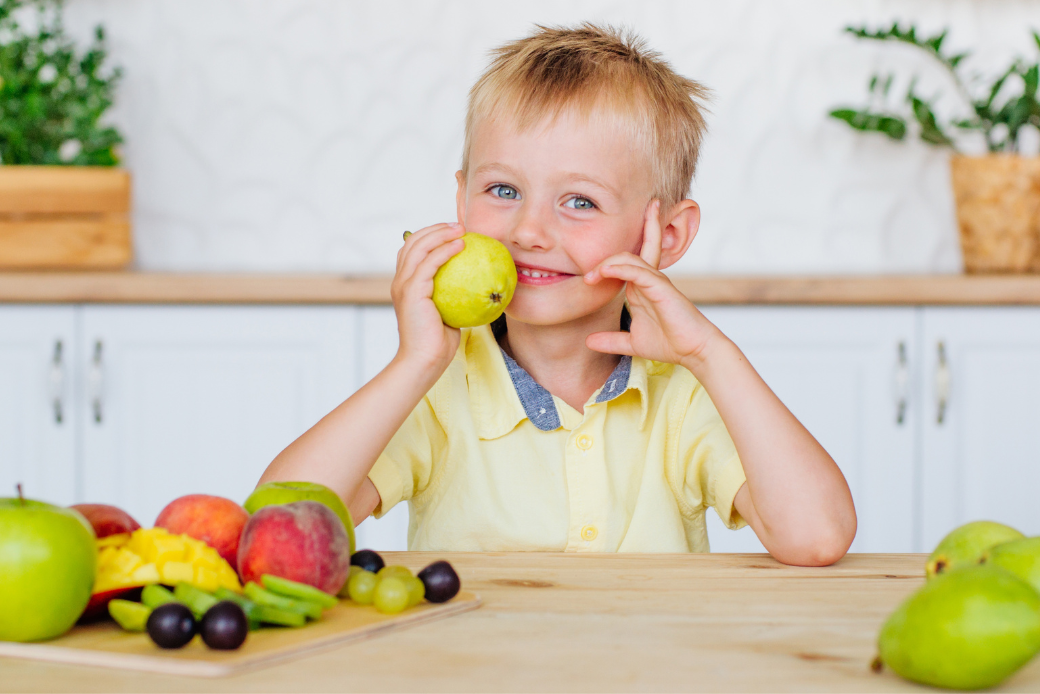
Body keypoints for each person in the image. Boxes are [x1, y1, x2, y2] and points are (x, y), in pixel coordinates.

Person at [258, 23, 856, 565]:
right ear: (462, 201)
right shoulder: (441, 389)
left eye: (580, 201)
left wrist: (710, 353)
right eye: (503, 190)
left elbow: (817, 537)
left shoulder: (682, 392)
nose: (529, 232)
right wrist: (413, 363)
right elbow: (274, 521)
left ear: (666, 234)